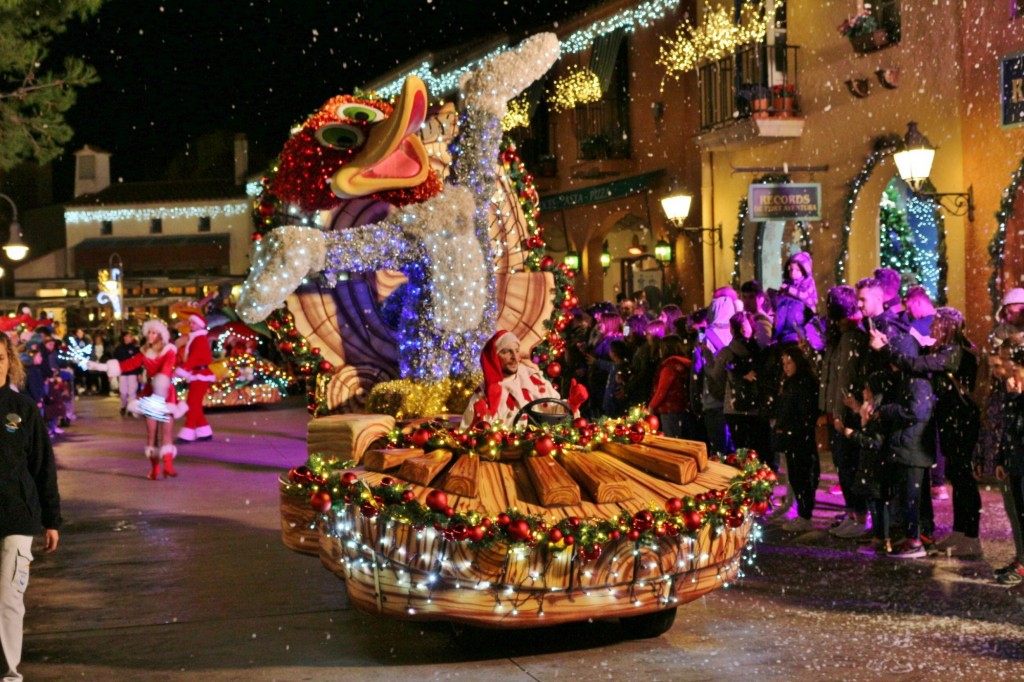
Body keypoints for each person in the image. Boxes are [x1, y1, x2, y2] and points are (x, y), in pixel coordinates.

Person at [870, 306, 982, 557]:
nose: (931, 330)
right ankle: (961, 532)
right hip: (953, 422)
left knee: (964, 480)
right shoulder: (950, 350)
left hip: (961, 423)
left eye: (935, 325)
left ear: (947, 327)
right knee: (957, 476)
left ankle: (971, 536)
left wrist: (886, 350)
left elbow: (916, 364)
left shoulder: (954, 353)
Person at [0, 332, 61, 682]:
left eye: (1, 357)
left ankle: (9, 673)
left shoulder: (22, 409)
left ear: (10, 363)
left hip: (16, 517)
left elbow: (42, 465)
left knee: (9, 599)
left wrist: (51, 519)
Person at [89, 319, 188, 480]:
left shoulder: (169, 351)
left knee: (167, 432)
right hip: (150, 392)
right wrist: (102, 367)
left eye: (153, 332)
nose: (150, 335)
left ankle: (168, 466)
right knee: (151, 434)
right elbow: (126, 365)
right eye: (149, 332)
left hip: (165, 393)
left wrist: (161, 383)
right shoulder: (143, 352)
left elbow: (167, 368)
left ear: (160, 336)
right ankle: (155, 468)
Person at [819, 285, 869, 538]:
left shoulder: (850, 338)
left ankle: (859, 515)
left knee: (850, 464)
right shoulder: (840, 337)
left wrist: (837, 412)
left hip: (847, 411)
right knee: (843, 465)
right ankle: (852, 512)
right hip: (839, 409)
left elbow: (844, 379)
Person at [462, 329, 587, 428]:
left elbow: (553, 412)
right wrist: (477, 422)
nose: (514, 357)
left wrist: (572, 404)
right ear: (495, 357)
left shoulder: (535, 382)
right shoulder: (484, 395)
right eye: (506, 352)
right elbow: (468, 436)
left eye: (516, 351)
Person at [773, 346, 820, 532]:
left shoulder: (803, 383)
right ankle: (802, 512)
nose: (786, 367)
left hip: (800, 436)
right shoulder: (792, 382)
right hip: (793, 435)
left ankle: (805, 514)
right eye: (784, 363)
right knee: (796, 475)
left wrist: (790, 427)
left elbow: (803, 412)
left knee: (802, 475)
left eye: (789, 362)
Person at [173, 306, 216, 443]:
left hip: (200, 374)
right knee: (194, 404)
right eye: (190, 323)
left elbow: (194, 358)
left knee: (192, 404)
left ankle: (188, 431)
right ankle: (204, 431)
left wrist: (181, 370)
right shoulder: (197, 338)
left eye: (193, 323)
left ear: (200, 325)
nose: (191, 325)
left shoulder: (199, 339)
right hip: (197, 373)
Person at [647, 334, 695, 439]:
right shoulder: (684, 364)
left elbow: (662, 390)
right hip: (682, 407)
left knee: (672, 438)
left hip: (669, 409)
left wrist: (651, 406)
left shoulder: (669, 367)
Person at [113, 330, 142, 417]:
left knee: (132, 392)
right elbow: (115, 362)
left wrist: (139, 373)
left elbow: (138, 361)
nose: (131, 338)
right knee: (123, 392)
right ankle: (123, 405)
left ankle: (131, 408)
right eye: (129, 336)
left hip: (132, 373)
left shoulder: (135, 349)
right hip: (123, 373)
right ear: (124, 337)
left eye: (131, 336)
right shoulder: (118, 349)